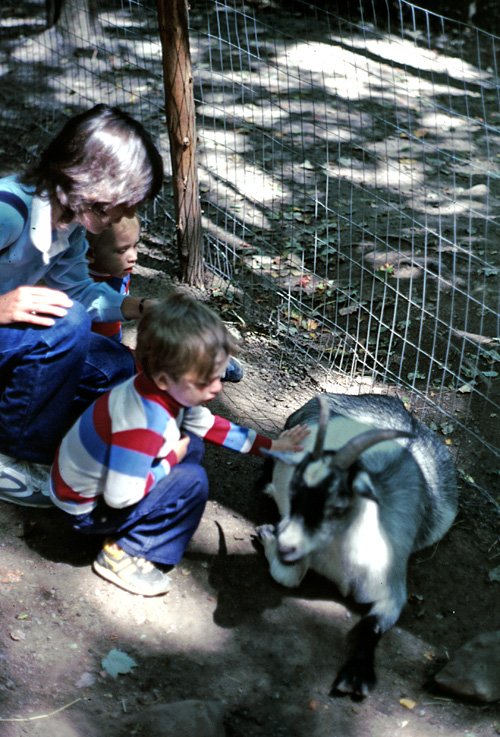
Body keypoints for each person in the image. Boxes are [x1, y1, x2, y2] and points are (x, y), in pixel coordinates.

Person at [49, 292, 309, 597]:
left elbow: (212, 425)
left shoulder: (160, 391)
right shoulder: (143, 424)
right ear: (163, 378)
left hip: (87, 489)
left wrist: (272, 446)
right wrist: (171, 460)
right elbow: (120, 497)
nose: (216, 389)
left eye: (219, 376)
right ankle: (122, 553)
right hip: (85, 512)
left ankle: (135, 528)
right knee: (192, 480)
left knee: (194, 446)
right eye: (205, 382)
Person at [0, 104, 163, 508]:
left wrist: (140, 307)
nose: (123, 216)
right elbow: (69, 315)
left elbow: (82, 297)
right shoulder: (8, 211)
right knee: (66, 325)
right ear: (94, 184)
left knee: (115, 367)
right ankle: (14, 456)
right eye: (124, 203)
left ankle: (41, 433)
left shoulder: (68, 226)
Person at [86, 213, 141, 342]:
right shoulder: (81, 283)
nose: (134, 257)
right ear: (90, 253)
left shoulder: (120, 270)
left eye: (135, 245)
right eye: (123, 250)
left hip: (114, 333)